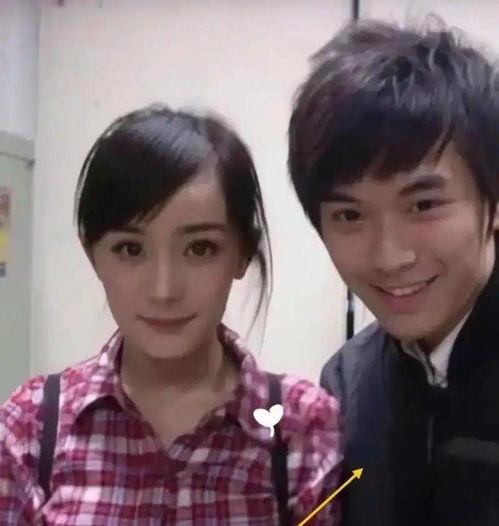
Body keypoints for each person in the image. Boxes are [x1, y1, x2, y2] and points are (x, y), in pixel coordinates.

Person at [0, 105, 341, 525]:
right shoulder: (32, 425)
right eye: (130, 249)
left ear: (242, 254)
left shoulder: (304, 426)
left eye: (200, 249)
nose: (164, 290)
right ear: (93, 255)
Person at [288, 18, 499, 526]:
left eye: (423, 205)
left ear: (492, 201)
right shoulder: (347, 383)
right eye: (350, 215)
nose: (389, 256)